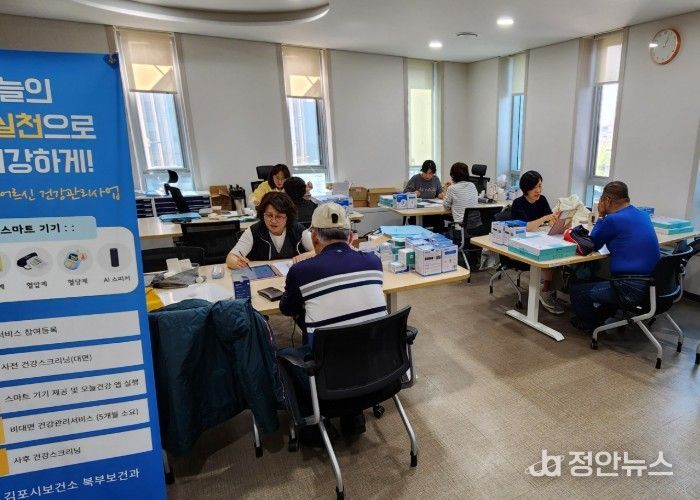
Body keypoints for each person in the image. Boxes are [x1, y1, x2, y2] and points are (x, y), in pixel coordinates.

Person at [279, 203, 387, 442]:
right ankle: (352, 415)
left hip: (330, 378)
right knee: (350, 335)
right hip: (378, 369)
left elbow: (287, 308)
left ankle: (315, 427)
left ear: (314, 238)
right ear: (350, 236)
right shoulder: (374, 261)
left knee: (285, 356)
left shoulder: (301, 271)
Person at [570, 181, 660, 332]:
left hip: (629, 287)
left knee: (577, 292)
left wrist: (601, 216)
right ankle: (601, 317)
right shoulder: (643, 215)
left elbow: (593, 244)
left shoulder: (613, 219)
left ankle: (591, 325)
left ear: (607, 200)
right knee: (602, 279)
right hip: (654, 284)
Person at [509, 170, 564, 314]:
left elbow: (548, 220)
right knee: (547, 256)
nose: (538, 190)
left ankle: (547, 289)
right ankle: (545, 291)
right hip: (522, 245)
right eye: (534, 187)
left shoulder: (542, 199)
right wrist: (545, 218)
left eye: (540, 186)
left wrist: (556, 219)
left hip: (539, 239)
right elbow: (526, 227)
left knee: (556, 254)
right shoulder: (518, 203)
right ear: (526, 189)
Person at [226, 191, 314, 268]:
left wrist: (308, 254)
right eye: (269, 215)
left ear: (288, 217)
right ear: (262, 214)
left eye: (279, 216)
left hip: (291, 277)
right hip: (263, 278)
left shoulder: (298, 230)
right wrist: (236, 262)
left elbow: (320, 251)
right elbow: (230, 257)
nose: (273, 221)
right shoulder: (254, 231)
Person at [443, 162, 481, 229]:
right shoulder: (472, 185)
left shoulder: (452, 188)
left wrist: (446, 190)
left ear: (453, 175)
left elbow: (446, 207)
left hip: (461, 229)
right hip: (476, 227)